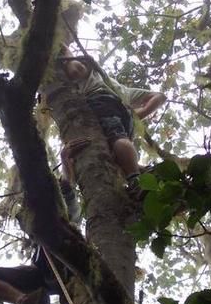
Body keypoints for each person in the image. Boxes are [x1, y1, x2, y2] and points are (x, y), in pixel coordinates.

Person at [0, 140, 87, 304]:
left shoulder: (66, 214)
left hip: (70, 271)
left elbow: (67, 188)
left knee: (84, 298)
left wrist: (65, 160)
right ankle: (27, 302)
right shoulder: (34, 225)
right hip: (41, 275)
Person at [44, 44, 167, 197]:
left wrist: (65, 51)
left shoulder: (93, 73)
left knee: (117, 138)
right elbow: (159, 97)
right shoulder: (120, 89)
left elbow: (74, 68)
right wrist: (136, 115)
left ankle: (135, 180)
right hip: (124, 117)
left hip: (100, 102)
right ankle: (141, 171)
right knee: (116, 148)